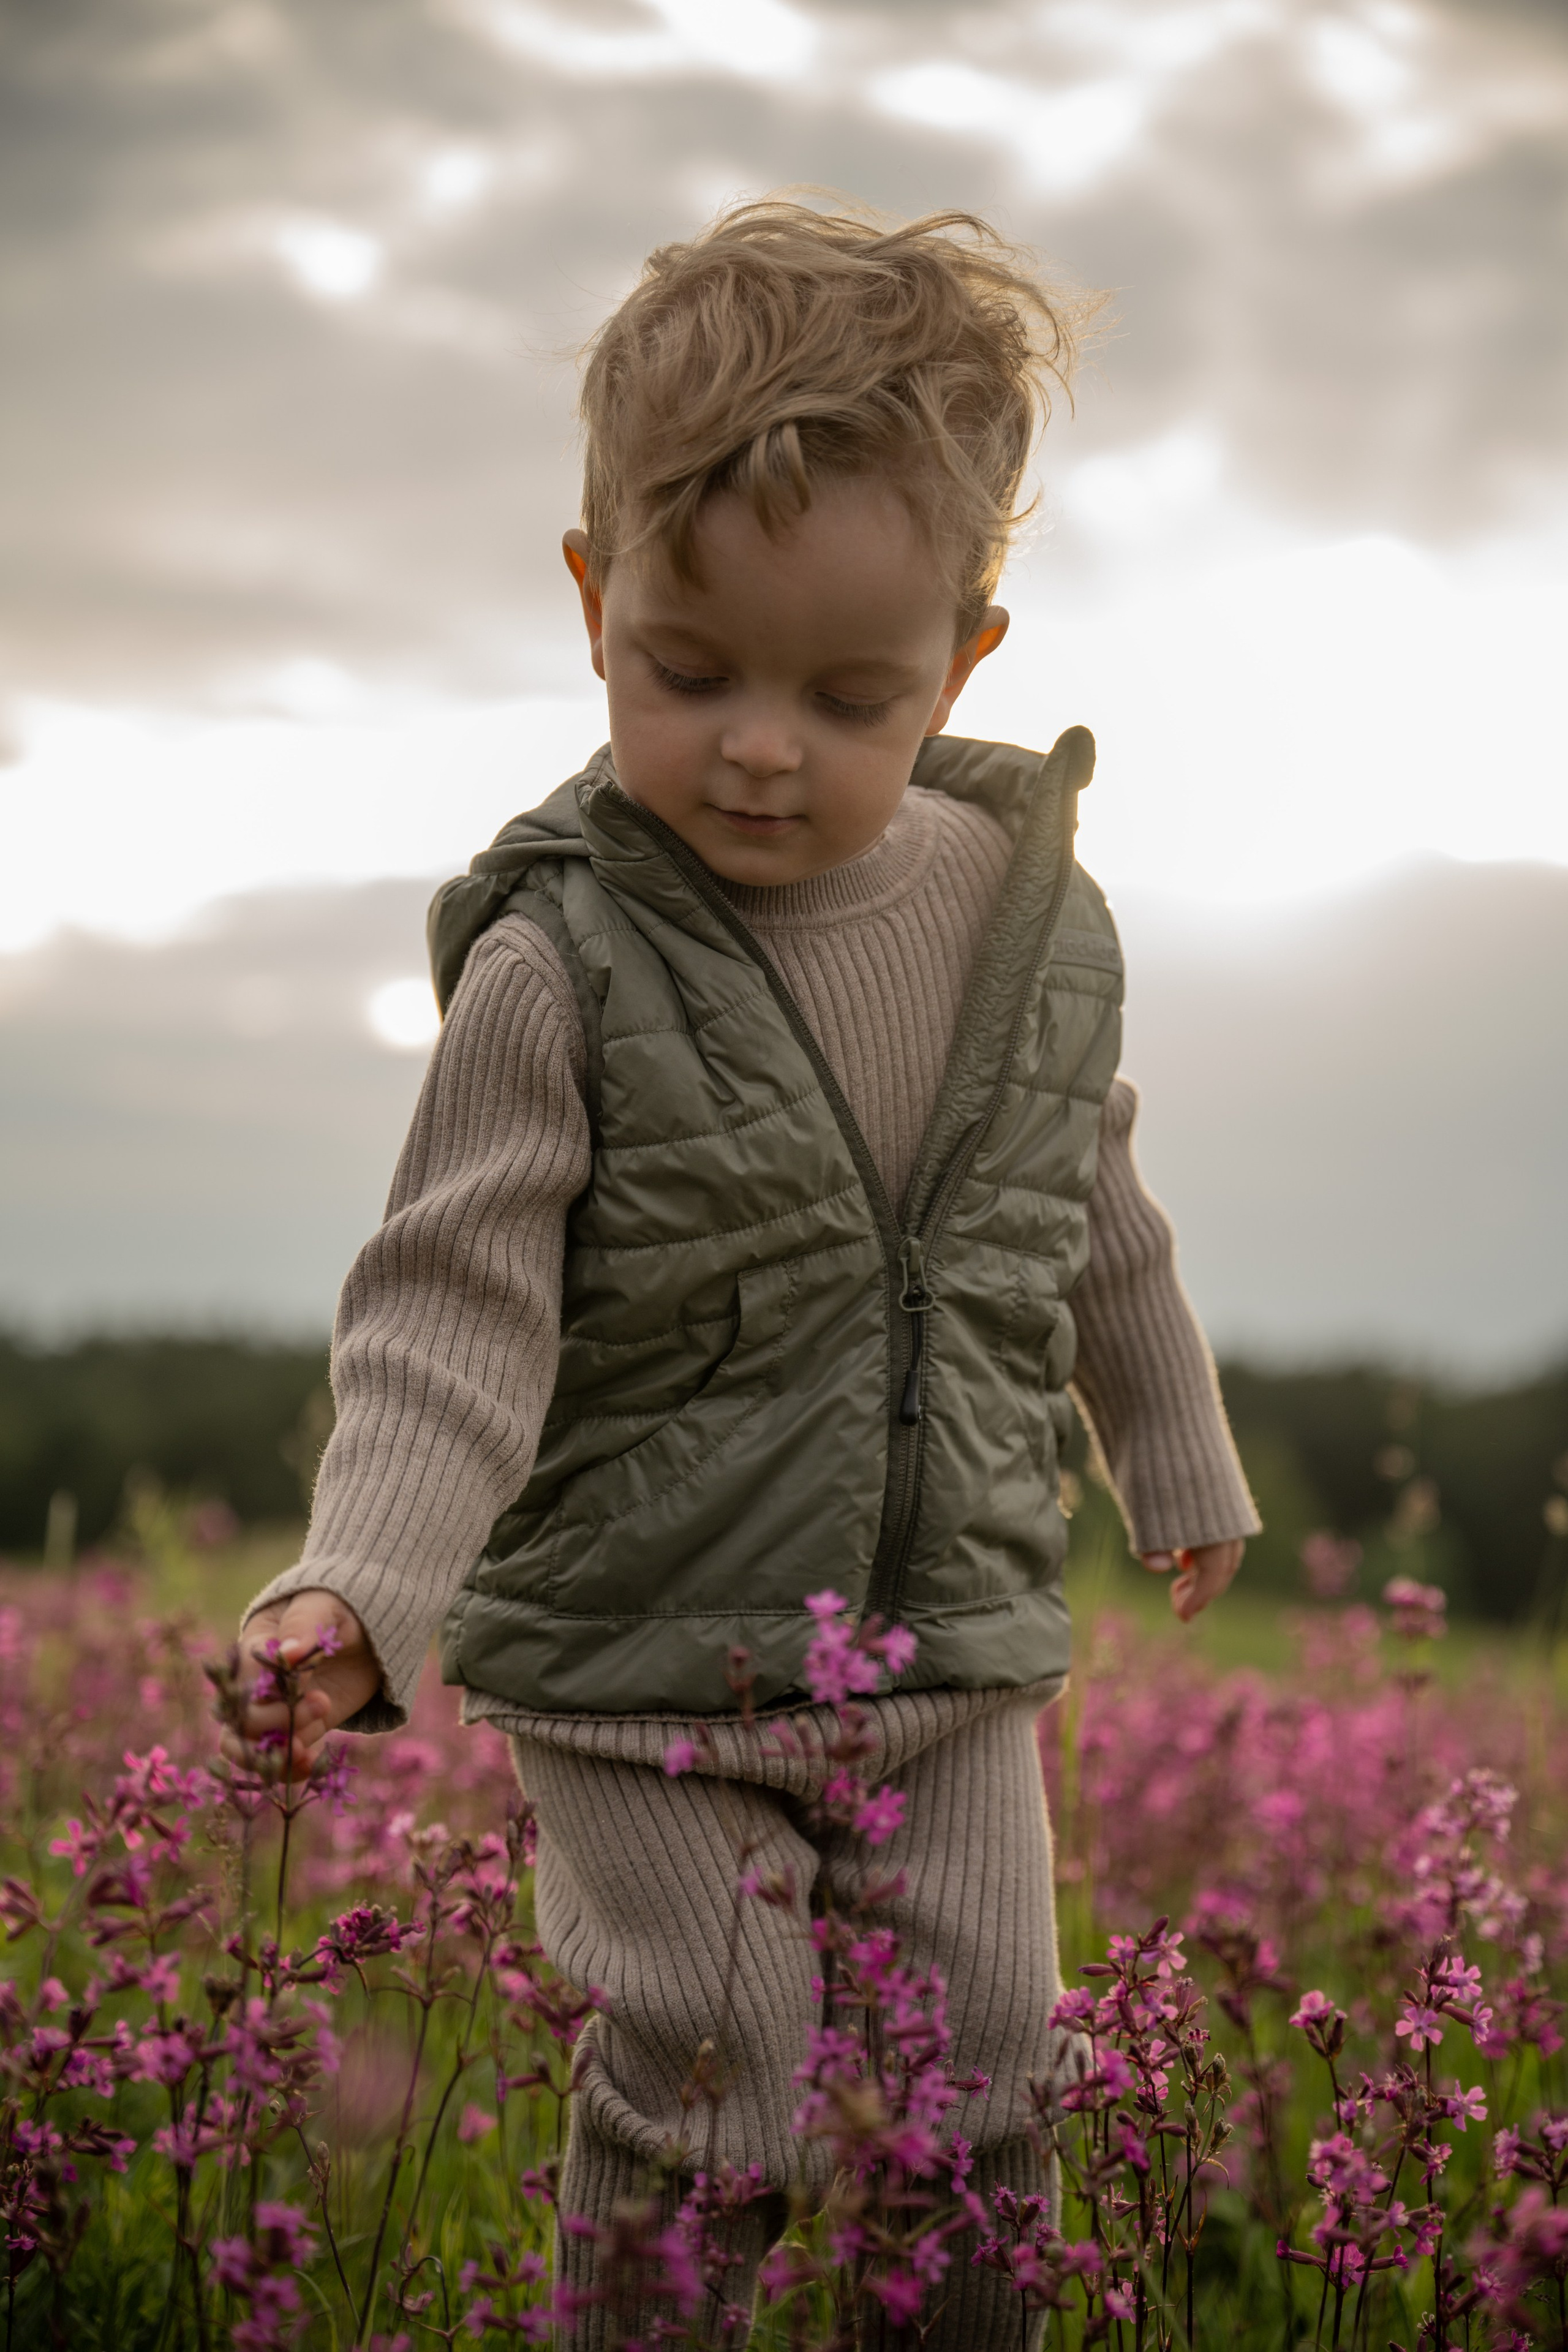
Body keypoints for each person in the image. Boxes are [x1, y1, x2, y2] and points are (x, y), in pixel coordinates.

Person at [232, 198, 1259, 2344]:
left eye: (849, 694)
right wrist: (362, 1581)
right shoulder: (559, 963)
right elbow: (451, 1308)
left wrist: (1172, 1441)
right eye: (688, 673)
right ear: (593, 600)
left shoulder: (1028, 922)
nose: (761, 745)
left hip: (949, 1652)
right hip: (645, 1674)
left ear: (966, 661)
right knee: (720, 2091)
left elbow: (1084, 1194)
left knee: (991, 2098)